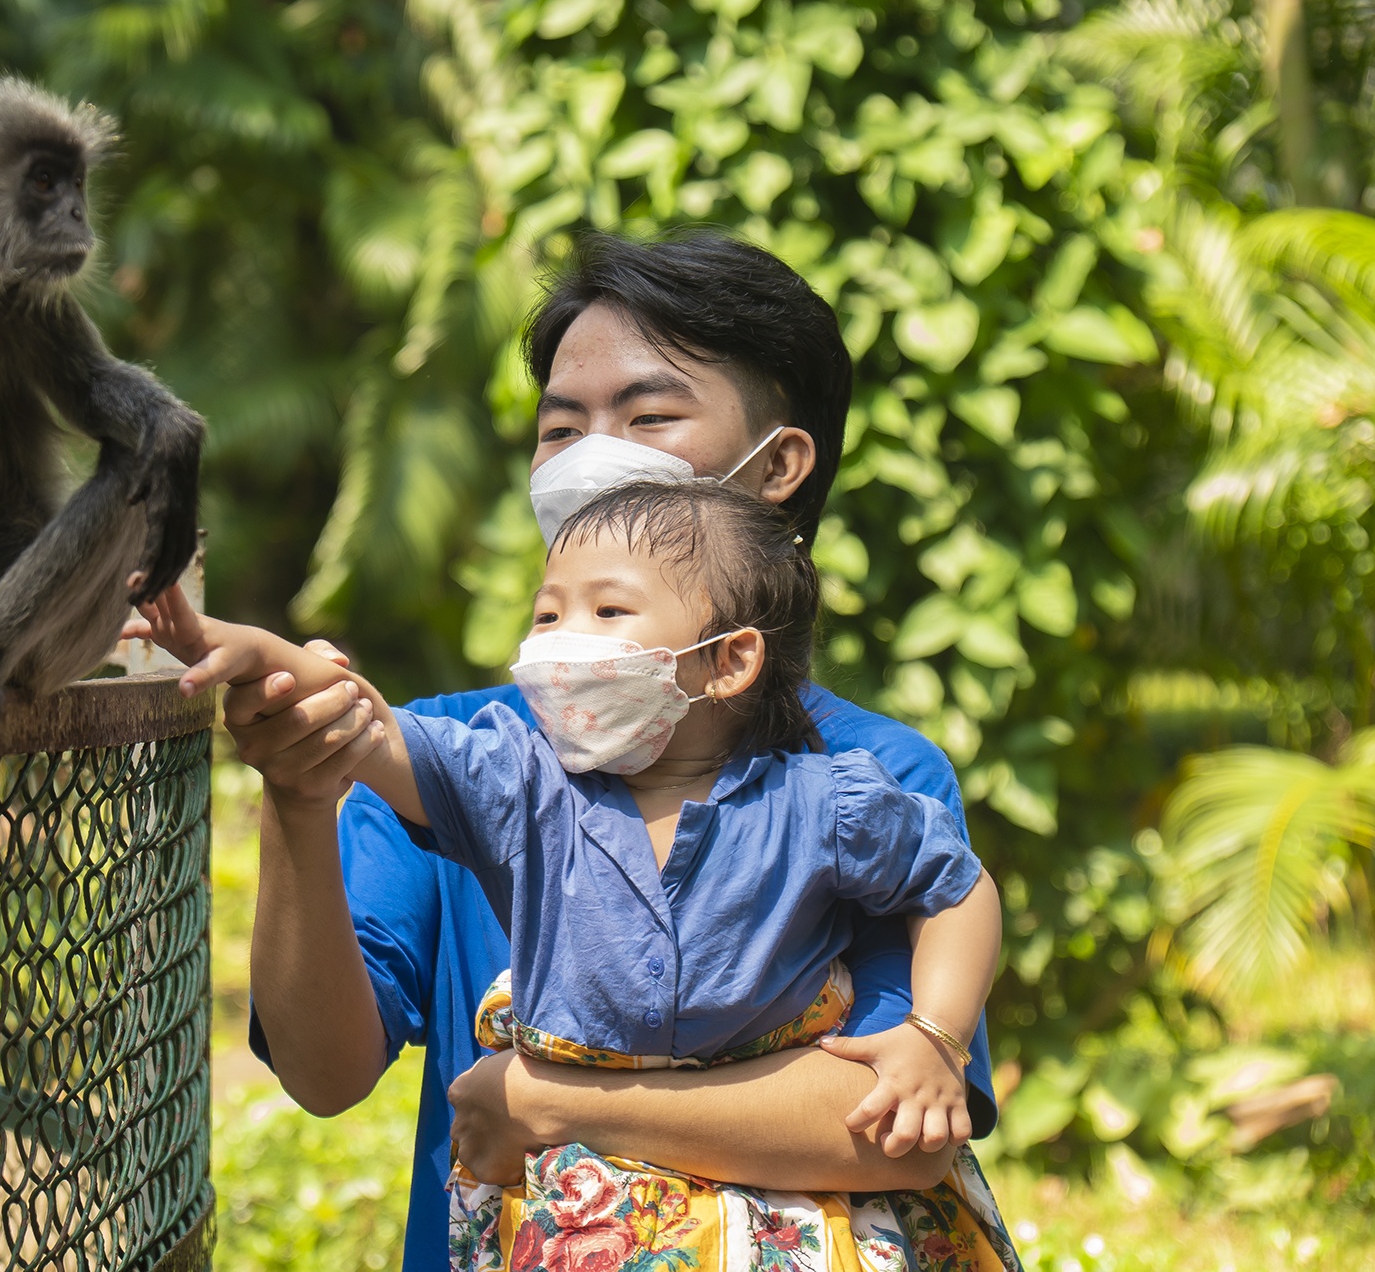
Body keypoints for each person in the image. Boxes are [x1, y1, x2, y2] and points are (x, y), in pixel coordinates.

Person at [221, 232, 1003, 1269]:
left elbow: (886, 1127)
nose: (592, 458)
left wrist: (544, 1098)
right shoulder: (459, 753)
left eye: (647, 416)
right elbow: (323, 1073)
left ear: (775, 466)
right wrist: (297, 790)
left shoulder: (868, 775)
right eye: (560, 427)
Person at [129, 477, 1016, 1270]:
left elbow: (958, 888)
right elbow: (361, 719)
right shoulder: (513, 778)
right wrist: (248, 649)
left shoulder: (831, 798)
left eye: (608, 613)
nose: (559, 643)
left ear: (728, 661)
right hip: (583, 1207)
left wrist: (933, 1034)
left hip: (797, 1218)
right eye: (547, 614)